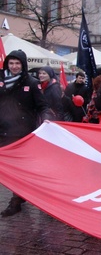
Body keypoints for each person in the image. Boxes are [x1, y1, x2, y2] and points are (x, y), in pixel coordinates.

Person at [0, 50, 54, 217]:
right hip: (3, 131)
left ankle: (16, 200)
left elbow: (43, 106)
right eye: (11, 63)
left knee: (19, 169)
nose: (14, 66)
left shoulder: (31, 83)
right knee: (7, 168)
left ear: (23, 65)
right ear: (7, 64)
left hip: (22, 133)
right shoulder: (1, 81)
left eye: (18, 63)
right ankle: (20, 194)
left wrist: (45, 119)